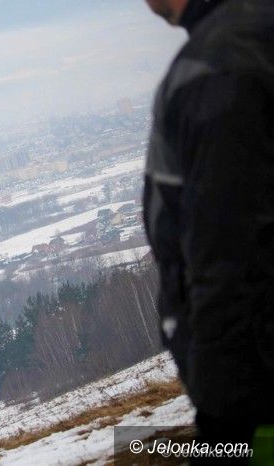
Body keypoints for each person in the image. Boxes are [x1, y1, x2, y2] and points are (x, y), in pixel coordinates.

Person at [143, 0, 273, 460]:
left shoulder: (217, 69)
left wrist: (227, 419)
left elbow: (229, 255)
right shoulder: (248, 35)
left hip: (254, 389)